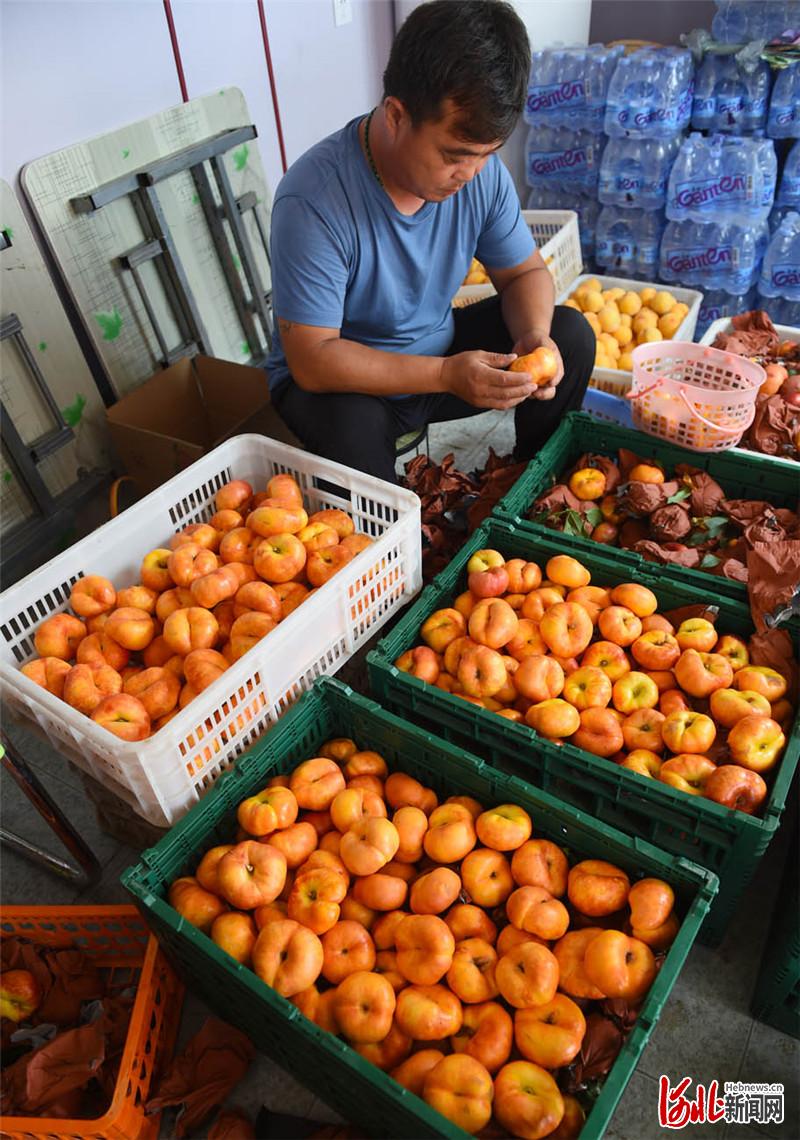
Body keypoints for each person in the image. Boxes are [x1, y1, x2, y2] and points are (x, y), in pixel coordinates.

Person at [267, 0, 594, 485]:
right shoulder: (314, 199)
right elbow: (313, 360)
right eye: (454, 155)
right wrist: (443, 375)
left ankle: (531, 487)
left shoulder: (479, 176)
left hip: (439, 355)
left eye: (487, 155)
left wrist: (533, 336)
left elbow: (525, 273)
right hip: (346, 382)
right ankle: (394, 539)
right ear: (397, 115)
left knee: (570, 334)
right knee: (351, 429)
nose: (471, 173)